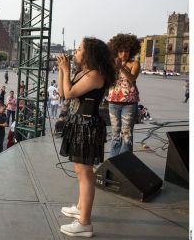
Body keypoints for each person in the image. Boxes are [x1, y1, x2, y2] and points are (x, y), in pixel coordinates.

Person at [57, 37, 115, 237]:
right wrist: (61, 70)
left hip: (88, 126)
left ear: (90, 54)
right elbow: (62, 93)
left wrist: (65, 70)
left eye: (80, 49)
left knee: (85, 174)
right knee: (80, 170)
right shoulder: (85, 72)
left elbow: (70, 92)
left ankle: (84, 223)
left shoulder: (96, 75)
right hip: (79, 123)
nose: (75, 51)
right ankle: (81, 207)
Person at [106, 33, 141, 158]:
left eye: (126, 51)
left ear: (131, 51)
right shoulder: (111, 64)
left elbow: (132, 79)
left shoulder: (134, 63)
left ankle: (124, 164)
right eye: (120, 51)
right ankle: (113, 162)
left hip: (129, 102)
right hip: (113, 102)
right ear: (116, 51)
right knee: (115, 134)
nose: (123, 54)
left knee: (126, 134)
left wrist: (121, 68)